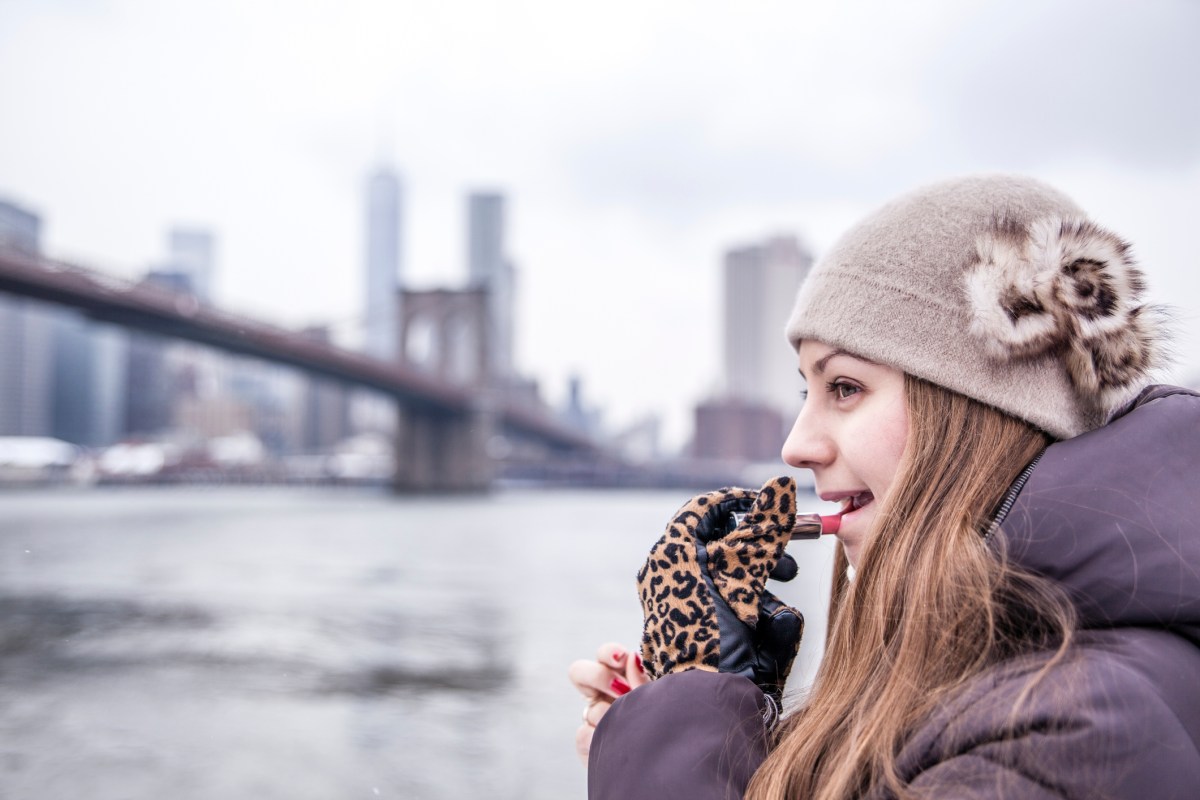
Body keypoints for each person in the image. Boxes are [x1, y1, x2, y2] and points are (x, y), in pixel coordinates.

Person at [568, 175, 1200, 799]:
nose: (796, 446)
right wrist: (719, 718)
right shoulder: (983, 687)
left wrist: (675, 724)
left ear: (975, 413)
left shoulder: (1071, 732)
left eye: (844, 387)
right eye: (805, 391)